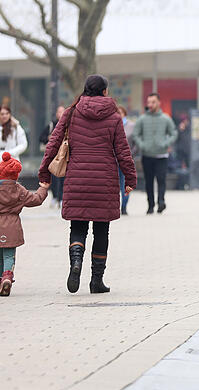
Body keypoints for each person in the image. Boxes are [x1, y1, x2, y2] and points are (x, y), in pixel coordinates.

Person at [39, 75, 137, 295]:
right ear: (104, 91)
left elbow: (53, 143)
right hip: (105, 180)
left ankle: (75, 263)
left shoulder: (71, 113)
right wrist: (130, 179)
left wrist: (44, 170)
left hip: (77, 178)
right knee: (102, 230)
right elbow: (123, 151)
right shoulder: (113, 116)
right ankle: (96, 281)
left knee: (78, 227)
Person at [0, 152, 49, 296]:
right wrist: (43, 188)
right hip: (12, 227)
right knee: (9, 256)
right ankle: (7, 277)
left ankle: (0, 280)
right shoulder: (18, 189)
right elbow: (36, 200)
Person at [133, 93, 177, 214]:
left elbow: (174, 133)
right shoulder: (142, 119)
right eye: (149, 102)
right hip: (147, 155)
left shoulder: (165, 118)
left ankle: (161, 201)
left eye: (153, 102)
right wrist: (142, 145)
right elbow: (136, 134)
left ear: (159, 103)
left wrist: (165, 143)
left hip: (162, 155)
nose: (150, 105)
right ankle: (150, 205)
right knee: (148, 181)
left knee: (161, 180)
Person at [40, 105, 66, 207]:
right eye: (59, 112)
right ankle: (55, 197)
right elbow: (41, 138)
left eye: (63, 112)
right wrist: (49, 138)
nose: (61, 114)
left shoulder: (68, 124)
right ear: (56, 113)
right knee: (54, 178)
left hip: (64, 155)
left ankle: (61, 198)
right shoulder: (51, 125)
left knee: (63, 177)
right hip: (54, 156)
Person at [116, 105, 137, 215]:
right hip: (114, 160)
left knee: (126, 184)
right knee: (115, 184)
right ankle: (116, 206)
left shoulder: (132, 126)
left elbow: (135, 143)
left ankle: (124, 206)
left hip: (126, 160)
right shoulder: (112, 125)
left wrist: (131, 154)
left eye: (121, 112)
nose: (119, 114)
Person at [174, 115, 191, 190]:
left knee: (189, 168)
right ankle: (180, 185)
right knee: (179, 168)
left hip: (188, 152)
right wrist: (179, 130)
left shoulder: (190, 129)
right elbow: (175, 139)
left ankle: (188, 184)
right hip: (180, 152)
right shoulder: (179, 130)